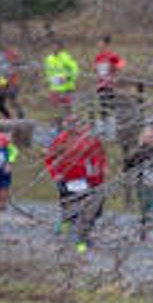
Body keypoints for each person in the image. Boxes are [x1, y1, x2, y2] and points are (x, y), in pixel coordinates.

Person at [44, 115, 109, 253]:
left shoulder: (90, 141)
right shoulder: (61, 140)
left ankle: (80, 236)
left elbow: (99, 158)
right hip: (66, 180)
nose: (74, 126)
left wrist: (101, 170)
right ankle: (74, 237)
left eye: (76, 123)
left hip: (87, 180)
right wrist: (55, 175)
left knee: (89, 210)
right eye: (70, 123)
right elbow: (49, 159)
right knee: (73, 210)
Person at [44, 45, 81, 114]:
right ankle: (58, 123)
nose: (54, 48)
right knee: (55, 111)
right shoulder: (49, 58)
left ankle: (71, 122)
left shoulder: (66, 57)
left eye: (56, 46)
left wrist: (68, 78)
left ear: (60, 47)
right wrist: (50, 79)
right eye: (52, 46)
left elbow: (75, 69)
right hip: (54, 88)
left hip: (67, 88)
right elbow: (48, 72)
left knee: (68, 109)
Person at [92, 37, 124, 113]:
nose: (99, 45)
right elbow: (95, 69)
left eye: (100, 43)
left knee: (111, 104)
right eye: (98, 43)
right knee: (102, 105)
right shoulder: (98, 57)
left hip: (109, 83)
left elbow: (121, 64)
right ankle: (105, 120)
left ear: (106, 44)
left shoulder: (111, 55)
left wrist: (115, 71)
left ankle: (113, 120)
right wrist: (95, 69)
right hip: (101, 84)